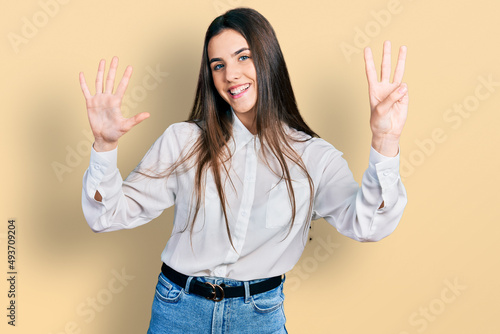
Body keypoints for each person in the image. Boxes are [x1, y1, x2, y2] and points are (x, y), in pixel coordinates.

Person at [79, 7, 408, 334]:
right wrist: (105, 147)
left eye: (243, 57)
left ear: (268, 59)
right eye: (217, 65)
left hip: (258, 316)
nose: (230, 75)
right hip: (178, 310)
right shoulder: (183, 141)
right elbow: (106, 215)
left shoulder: (314, 158)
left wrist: (385, 140)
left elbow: (368, 224)